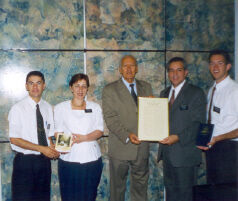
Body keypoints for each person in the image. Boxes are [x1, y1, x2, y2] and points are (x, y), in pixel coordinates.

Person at [102, 55, 153, 201]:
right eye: (125, 66)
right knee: (117, 189)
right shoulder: (109, 90)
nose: (129, 69)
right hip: (120, 146)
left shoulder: (147, 87)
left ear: (137, 68)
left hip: (142, 147)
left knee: (140, 188)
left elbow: (152, 115)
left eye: (132, 66)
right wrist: (127, 135)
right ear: (120, 70)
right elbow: (110, 119)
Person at [158, 57, 206, 201]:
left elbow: (198, 124)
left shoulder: (196, 93)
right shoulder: (164, 93)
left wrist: (177, 137)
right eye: (171, 70)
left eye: (179, 70)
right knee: (171, 195)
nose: (175, 74)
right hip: (167, 155)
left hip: (185, 155)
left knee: (186, 196)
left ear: (186, 72)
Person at [8, 71, 59, 201]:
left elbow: (48, 134)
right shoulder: (17, 108)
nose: (35, 87)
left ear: (44, 86)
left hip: (44, 163)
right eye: (31, 83)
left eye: (38, 83)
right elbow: (14, 139)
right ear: (26, 86)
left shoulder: (47, 107)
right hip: (25, 163)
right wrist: (42, 149)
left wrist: (53, 149)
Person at [54, 73, 103, 201]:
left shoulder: (95, 107)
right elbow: (57, 132)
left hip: (92, 160)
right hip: (69, 160)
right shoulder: (61, 108)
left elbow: (99, 131)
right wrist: (65, 145)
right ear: (71, 87)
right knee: (69, 196)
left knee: (89, 196)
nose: (80, 90)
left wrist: (84, 138)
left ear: (87, 89)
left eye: (84, 86)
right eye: (77, 86)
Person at [197, 50, 238, 184]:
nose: (215, 67)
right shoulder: (212, 89)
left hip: (229, 150)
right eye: (212, 63)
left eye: (219, 63)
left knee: (227, 193)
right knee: (214, 191)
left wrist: (218, 138)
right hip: (213, 149)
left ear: (228, 66)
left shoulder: (235, 91)